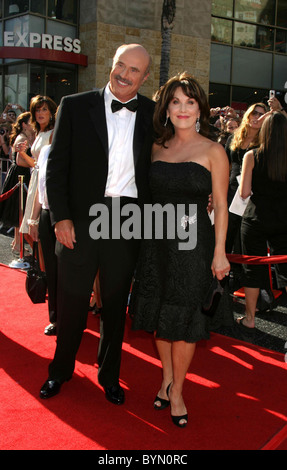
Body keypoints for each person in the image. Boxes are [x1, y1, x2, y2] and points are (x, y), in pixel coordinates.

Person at [40, 43, 155, 404]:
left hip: (127, 220)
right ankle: (60, 372)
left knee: (115, 305)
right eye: (120, 64)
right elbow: (56, 169)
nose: (124, 74)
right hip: (80, 218)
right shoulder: (75, 105)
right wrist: (61, 217)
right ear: (112, 63)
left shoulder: (153, 114)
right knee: (72, 302)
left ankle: (110, 377)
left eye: (134, 70)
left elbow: (174, 158)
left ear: (145, 76)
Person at [129, 72, 230, 427]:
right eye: (175, 101)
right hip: (156, 242)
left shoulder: (214, 151)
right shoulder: (157, 147)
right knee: (160, 315)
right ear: (166, 108)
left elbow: (220, 205)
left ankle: (177, 391)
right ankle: (166, 378)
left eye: (190, 102)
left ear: (200, 108)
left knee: (185, 319)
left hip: (193, 244)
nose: (183, 109)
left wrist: (220, 252)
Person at [237, 111, 287, 331]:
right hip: (284, 219)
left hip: (256, 218)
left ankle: (250, 318)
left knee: (252, 269)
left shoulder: (252, 156)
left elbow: (244, 192)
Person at [225, 102, 268, 288]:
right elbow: (225, 166)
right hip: (231, 192)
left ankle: (243, 279)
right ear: (248, 115)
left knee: (244, 239)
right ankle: (223, 277)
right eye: (254, 113)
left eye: (262, 114)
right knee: (226, 234)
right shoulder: (234, 138)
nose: (257, 117)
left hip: (251, 194)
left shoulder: (266, 142)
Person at [28, 130, 58, 336]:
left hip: (73, 218)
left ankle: (75, 317)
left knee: (71, 272)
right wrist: (33, 219)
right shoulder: (46, 151)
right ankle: (56, 319)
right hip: (48, 214)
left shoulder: (80, 149)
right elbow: (41, 187)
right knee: (52, 269)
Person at [19, 96, 57, 258]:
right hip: (35, 180)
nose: (40, 113)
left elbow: (47, 166)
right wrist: (21, 152)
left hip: (43, 184)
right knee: (28, 230)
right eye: (37, 109)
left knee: (37, 232)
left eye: (44, 109)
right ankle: (42, 271)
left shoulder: (52, 133)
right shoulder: (39, 132)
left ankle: (45, 273)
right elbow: (36, 163)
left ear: (51, 112)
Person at [0, 112, 35, 253]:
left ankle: (17, 243)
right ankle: (18, 244)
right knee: (19, 210)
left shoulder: (27, 137)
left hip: (21, 174)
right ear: (24, 125)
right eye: (30, 121)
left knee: (19, 211)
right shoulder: (21, 138)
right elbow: (20, 160)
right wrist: (35, 164)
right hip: (20, 175)